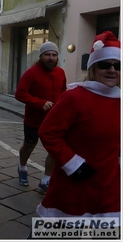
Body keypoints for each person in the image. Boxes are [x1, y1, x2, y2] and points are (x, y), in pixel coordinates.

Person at [36, 31, 120, 220]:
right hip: (74, 183)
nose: (112, 70)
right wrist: (73, 164)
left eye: (117, 65)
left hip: (109, 186)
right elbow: (48, 132)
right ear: (93, 68)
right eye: (105, 65)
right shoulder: (75, 97)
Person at [15, 41, 67, 194]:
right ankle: (22, 167)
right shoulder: (31, 73)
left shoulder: (60, 73)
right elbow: (20, 93)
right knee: (29, 146)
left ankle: (45, 180)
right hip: (34, 120)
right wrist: (39, 103)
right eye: (47, 55)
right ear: (41, 56)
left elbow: (63, 90)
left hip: (54, 120)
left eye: (54, 55)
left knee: (54, 150)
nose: (51, 58)